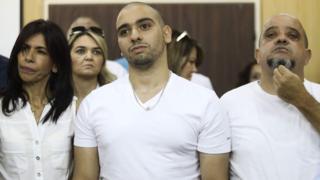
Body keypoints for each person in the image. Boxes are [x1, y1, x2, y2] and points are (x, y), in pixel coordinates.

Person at [73, 2, 230, 180]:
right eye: (124, 31)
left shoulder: (205, 101)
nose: (134, 36)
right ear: (119, 46)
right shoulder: (94, 103)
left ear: (166, 34)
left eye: (144, 26)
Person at [220, 14, 320, 180]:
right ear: (258, 55)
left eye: (293, 35)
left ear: (307, 56)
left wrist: (302, 98)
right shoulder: (229, 103)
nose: (281, 39)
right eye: (271, 35)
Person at [0, 19, 75, 180]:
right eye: (24, 49)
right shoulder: (1, 109)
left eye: (40, 51)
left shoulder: (74, 109)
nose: (29, 57)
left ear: (55, 65)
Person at [68, 25, 115, 109]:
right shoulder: (53, 97)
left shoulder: (115, 97)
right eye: (80, 51)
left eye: (96, 52)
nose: (89, 57)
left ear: (103, 60)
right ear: (67, 57)